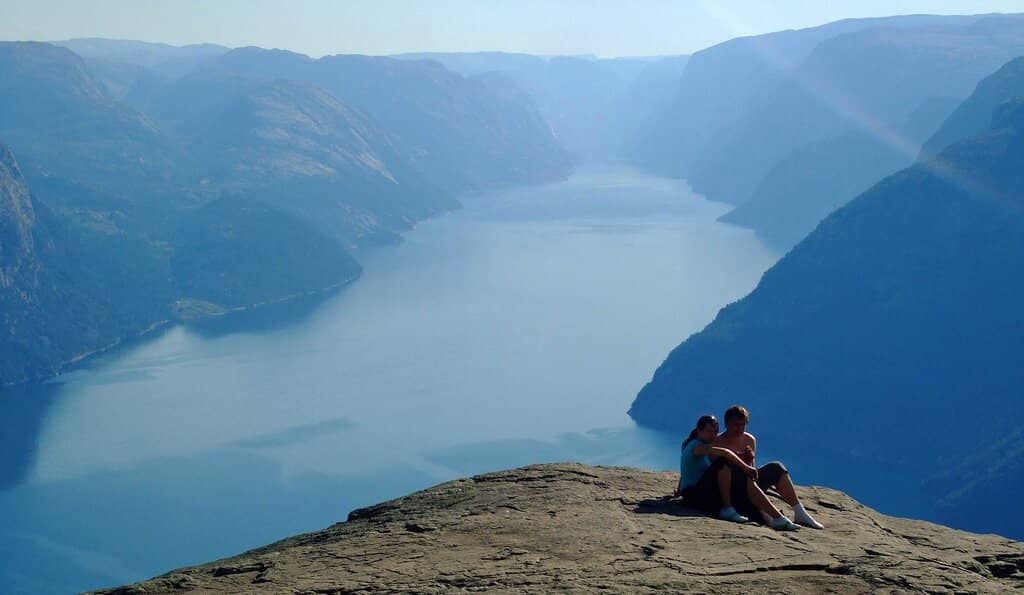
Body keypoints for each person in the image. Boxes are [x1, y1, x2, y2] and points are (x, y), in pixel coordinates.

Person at [715, 405, 824, 530]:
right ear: (727, 423)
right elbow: (717, 471)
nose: (739, 428)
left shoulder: (749, 439)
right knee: (743, 475)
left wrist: (749, 460)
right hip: (731, 491)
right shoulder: (718, 441)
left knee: (776, 468)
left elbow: (752, 471)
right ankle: (775, 516)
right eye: (736, 424)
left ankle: (800, 512)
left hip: (749, 484)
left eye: (743, 424)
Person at [676, 414, 758, 523]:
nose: (713, 435)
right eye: (709, 431)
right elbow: (724, 452)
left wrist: (679, 490)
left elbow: (686, 471)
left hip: (698, 492)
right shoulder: (697, 446)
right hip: (694, 495)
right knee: (722, 462)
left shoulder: (699, 445)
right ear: (699, 431)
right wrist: (746, 467)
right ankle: (727, 508)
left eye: (715, 431)